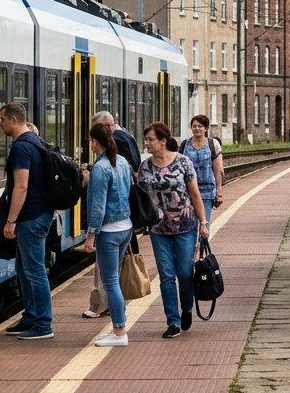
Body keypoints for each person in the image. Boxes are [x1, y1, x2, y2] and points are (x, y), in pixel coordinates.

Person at [138, 121, 210, 338]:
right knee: (166, 276)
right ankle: (173, 321)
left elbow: (195, 194)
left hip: (185, 226)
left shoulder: (183, 162)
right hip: (159, 229)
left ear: (163, 141)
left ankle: (186, 307)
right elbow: (141, 198)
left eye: (151, 139)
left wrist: (203, 223)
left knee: (185, 272)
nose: (147, 143)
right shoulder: (145, 167)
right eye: (147, 140)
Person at [0, 102, 56, 340]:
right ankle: (31, 316)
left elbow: (21, 187)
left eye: (2, 120)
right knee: (23, 268)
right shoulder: (35, 141)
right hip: (38, 214)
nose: (0, 124)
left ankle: (43, 324)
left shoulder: (21, 147)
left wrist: (11, 220)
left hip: (31, 217)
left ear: (13, 120)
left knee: (34, 271)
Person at [82, 122, 135, 346]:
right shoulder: (122, 162)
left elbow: (98, 207)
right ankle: (119, 324)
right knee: (114, 280)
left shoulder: (100, 168)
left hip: (109, 231)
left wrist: (91, 235)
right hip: (126, 227)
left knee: (110, 281)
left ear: (95, 142)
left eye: (91, 141)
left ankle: (119, 331)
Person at [181, 114, 225, 223]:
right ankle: (192, 241)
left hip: (206, 191)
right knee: (189, 224)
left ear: (206, 128)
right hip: (187, 191)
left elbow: (218, 170)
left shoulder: (212, 144)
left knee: (204, 223)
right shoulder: (184, 145)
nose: (197, 128)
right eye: (194, 126)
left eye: (200, 126)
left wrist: (218, 192)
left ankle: (203, 240)